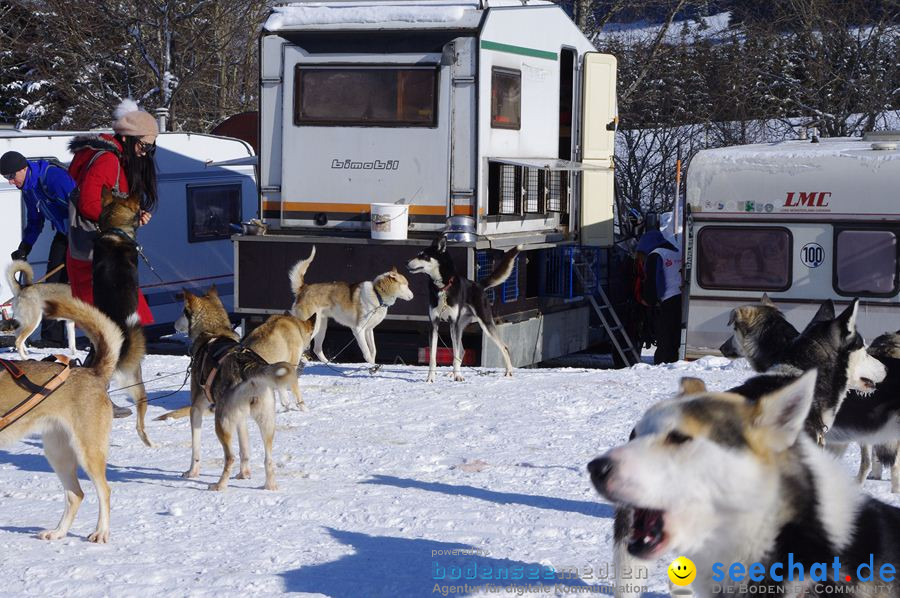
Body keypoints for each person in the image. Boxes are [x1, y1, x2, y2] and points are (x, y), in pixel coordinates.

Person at [66, 99, 158, 325]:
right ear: (125, 138)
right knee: (121, 324)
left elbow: (111, 205)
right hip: (98, 256)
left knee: (108, 327)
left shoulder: (110, 158)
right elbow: (89, 204)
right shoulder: (108, 161)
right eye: (143, 145)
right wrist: (125, 219)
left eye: (150, 147)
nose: (145, 153)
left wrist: (133, 215)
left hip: (97, 254)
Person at [0, 150, 75, 347]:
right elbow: (35, 220)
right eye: (6, 177)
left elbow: (80, 204)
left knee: (85, 283)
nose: (10, 181)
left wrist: (85, 238)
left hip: (82, 233)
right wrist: (25, 246)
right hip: (63, 234)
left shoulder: (53, 177)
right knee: (53, 283)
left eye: (11, 176)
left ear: (23, 169)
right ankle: (52, 340)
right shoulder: (29, 189)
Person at [635, 227, 682, 364]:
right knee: (674, 338)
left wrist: (648, 300)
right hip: (681, 298)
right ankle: (672, 363)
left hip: (667, 300)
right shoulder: (676, 251)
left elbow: (654, 281)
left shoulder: (655, 255)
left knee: (664, 339)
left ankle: (662, 365)